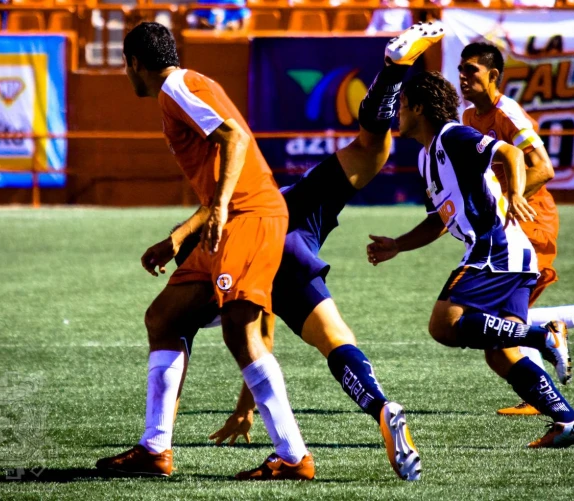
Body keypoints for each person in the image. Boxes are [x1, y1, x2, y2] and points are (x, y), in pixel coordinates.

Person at [173, 21, 449, 481]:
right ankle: (381, 408)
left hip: (270, 226)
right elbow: (256, 333)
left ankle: (393, 72)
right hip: (292, 214)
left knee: (322, 338)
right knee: (370, 152)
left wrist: (240, 411)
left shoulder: (216, 263)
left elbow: (254, 336)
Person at [96, 22, 312, 480]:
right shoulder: (179, 89)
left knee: (240, 330)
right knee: (165, 318)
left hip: (251, 216)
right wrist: (181, 234)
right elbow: (221, 171)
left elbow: (234, 138)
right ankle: (155, 450)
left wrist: (216, 209)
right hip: (230, 218)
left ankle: (294, 457)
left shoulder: (177, 86)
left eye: (125, 64)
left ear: (135, 63)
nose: (126, 72)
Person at [366, 71, 574, 448]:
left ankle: (543, 334)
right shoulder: (426, 158)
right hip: (513, 256)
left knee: (443, 324)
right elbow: (439, 218)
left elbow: (511, 152)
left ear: (419, 108)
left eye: (402, 106)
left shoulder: (451, 135)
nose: (396, 115)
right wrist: (399, 245)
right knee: (500, 356)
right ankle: (568, 421)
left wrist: (517, 193)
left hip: (495, 247)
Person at [458, 41, 574, 416]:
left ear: (493, 76)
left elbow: (544, 168)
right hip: (506, 220)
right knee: (504, 320)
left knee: (500, 320)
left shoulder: (509, 114)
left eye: (471, 69)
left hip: (530, 218)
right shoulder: (470, 117)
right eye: (460, 68)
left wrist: (507, 198)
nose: (462, 75)